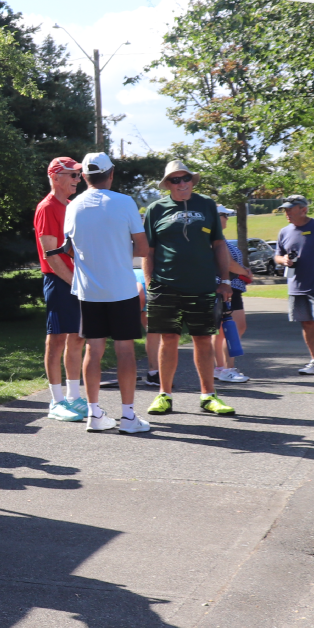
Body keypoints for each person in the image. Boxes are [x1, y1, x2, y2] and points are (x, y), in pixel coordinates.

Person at [63, 153, 153, 434]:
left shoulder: (72, 206)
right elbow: (142, 248)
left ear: (85, 176)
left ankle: (94, 414)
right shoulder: (124, 202)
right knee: (125, 350)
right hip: (122, 288)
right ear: (110, 174)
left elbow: (68, 247)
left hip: (89, 291)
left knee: (94, 348)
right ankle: (127, 417)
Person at [143, 161, 236, 416]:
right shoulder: (155, 209)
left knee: (203, 339)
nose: (182, 183)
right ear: (167, 184)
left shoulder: (206, 204)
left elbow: (218, 244)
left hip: (202, 284)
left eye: (185, 178)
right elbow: (147, 251)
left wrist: (225, 280)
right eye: (175, 180)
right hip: (165, 285)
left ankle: (208, 395)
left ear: (191, 180)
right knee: (168, 338)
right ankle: (164, 394)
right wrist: (150, 284)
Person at [34, 157, 89, 421]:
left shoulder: (69, 206)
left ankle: (73, 397)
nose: (78, 180)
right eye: (73, 175)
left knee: (77, 338)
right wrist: (74, 283)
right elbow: (50, 255)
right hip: (59, 280)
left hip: (75, 280)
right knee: (56, 339)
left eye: (79, 175)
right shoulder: (47, 207)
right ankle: (56, 402)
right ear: (55, 177)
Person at [275, 195, 314, 375]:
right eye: (285, 210)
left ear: (304, 209)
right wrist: (283, 260)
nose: (287, 213)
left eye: (290, 209)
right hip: (297, 286)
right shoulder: (284, 232)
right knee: (307, 324)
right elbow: (277, 256)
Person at [212, 210, 254, 384]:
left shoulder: (219, 237)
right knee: (235, 328)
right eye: (224, 214)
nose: (227, 218)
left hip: (230, 287)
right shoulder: (213, 238)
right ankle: (227, 369)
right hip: (224, 288)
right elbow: (227, 262)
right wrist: (245, 272)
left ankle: (220, 368)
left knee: (223, 331)